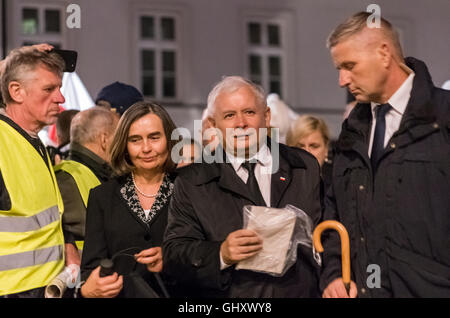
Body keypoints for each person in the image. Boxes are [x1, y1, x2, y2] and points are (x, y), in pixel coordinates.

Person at [321, 12, 450, 298]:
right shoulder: (353, 129)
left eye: (349, 66)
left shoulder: (443, 115)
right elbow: (333, 212)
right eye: (339, 69)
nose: (342, 80)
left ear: (383, 53)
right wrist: (333, 274)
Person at [163, 76, 322, 298]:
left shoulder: (304, 166)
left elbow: (329, 233)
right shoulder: (191, 181)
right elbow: (174, 255)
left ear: (266, 116)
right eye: (229, 115)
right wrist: (221, 253)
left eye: (249, 112)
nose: (241, 124)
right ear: (212, 125)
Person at [79, 101, 178, 298]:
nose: (146, 148)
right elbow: (91, 267)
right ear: (124, 145)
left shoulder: (189, 188)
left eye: (154, 137)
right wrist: (92, 286)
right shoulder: (102, 196)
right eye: (135, 140)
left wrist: (172, 259)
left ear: (169, 138)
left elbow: (205, 255)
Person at [0, 46, 66, 297]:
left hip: (42, 287)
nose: (61, 98)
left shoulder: (32, 141)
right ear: (16, 91)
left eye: (59, 88)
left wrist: (67, 248)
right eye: (49, 89)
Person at [54, 107, 119, 271]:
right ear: (104, 140)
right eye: (119, 137)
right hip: (85, 279)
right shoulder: (67, 180)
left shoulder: (61, 174)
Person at [286, 115, 333, 191]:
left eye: (314, 146)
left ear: (326, 149)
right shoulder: (278, 187)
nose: (307, 152)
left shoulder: (338, 189)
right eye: (300, 146)